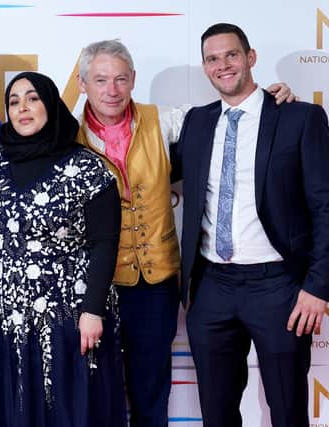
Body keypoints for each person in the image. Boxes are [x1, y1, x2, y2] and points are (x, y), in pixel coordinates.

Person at [75, 39, 295, 427]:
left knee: (152, 391)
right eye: (101, 80)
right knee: (94, 391)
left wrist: (274, 98)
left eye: (121, 79)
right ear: (82, 84)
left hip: (155, 283)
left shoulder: (169, 119)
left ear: (133, 81)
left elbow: (232, 113)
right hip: (94, 287)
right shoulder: (64, 136)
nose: (112, 90)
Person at [171, 22, 329, 427]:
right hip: (211, 288)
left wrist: (317, 286)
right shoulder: (196, 123)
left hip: (279, 286)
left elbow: (325, 205)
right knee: (217, 414)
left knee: (288, 409)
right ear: (205, 68)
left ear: (250, 57)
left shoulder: (301, 118)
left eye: (231, 55)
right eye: (212, 59)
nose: (222, 65)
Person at [0, 71, 127, 427]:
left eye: (33, 98)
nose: (22, 108)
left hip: (66, 316)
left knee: (64, 409)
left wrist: (93, 310)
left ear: (51, 104)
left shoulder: (85, 166)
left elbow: (105, 243)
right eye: (14, 101)